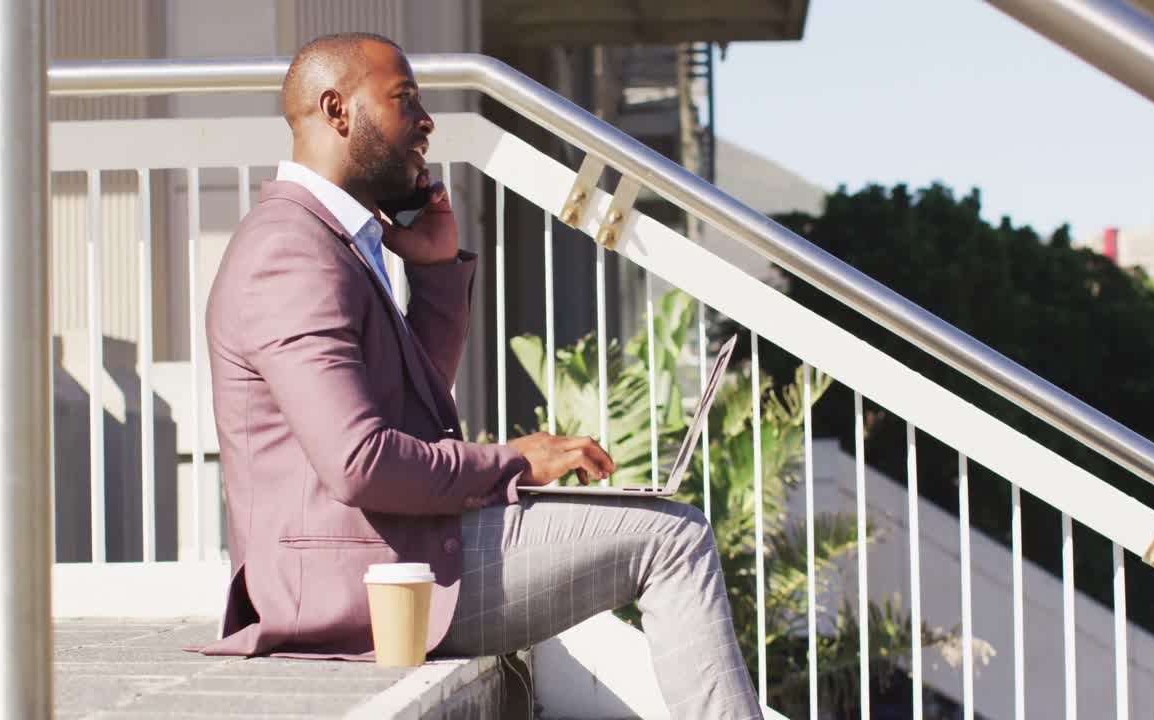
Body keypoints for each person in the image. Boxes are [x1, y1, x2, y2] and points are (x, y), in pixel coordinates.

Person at [200, 32, 762, 718]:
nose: (427, 121)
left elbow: (409, 413)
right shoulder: (290, 250)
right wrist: (514, 463)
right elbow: (359, 464)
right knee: (673, 540)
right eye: (405, 99)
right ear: (336, 110)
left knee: (668, 526)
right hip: (348, 583)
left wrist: (436, 273)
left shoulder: (333, 241)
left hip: (385, 558)